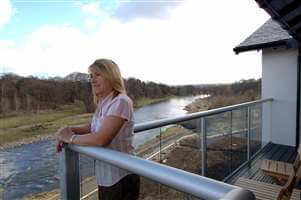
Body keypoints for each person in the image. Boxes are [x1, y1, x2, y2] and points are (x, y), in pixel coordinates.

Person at [56, 58, 140, 200]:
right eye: (91, 76)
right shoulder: (103, 102)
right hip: (106, 176)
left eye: (98, 75)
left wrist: (70, 138)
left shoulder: (121, 101)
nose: (92, 80)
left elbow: (101, 139)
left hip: (121, 176)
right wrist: (69, 129)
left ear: (111, 76)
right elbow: (92, 127)